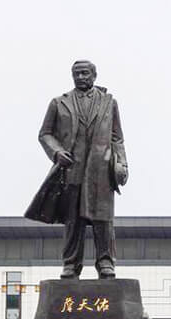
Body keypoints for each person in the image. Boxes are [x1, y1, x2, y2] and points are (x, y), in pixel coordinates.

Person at [27, 60, 128, 279]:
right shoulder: (58, 103)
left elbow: (117, 137)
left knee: (103, 220)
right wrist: (56, 152)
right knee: (74, 220)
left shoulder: (109, 102)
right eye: (76, 73)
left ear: (94, 75)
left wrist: (122, 164)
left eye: (85, 73)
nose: (81, 77)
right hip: (72, 169)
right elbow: (45, 134)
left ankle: (105, 263)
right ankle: (71, 264)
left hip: (101, 170)